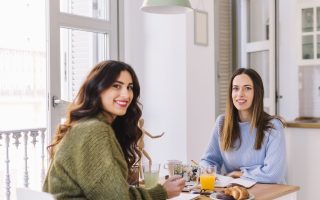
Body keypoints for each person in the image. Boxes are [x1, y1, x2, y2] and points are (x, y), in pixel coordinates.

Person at [43, 60, 185, 199]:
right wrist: (163, 192)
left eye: (129, 87)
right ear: (97, 89)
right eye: (116, 86)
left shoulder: (87, 125)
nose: (126, 94)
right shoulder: (94, 130)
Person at [200, 68, 286, 184]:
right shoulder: (222, 123)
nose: (240, 94)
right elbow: (208, 160)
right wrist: (209, 172)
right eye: (235, 88)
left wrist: (240, 174)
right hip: (235, 190)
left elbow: (273, 174)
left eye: (247, 88)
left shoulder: (273, 126)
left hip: (271, 193)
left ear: (257, 93)